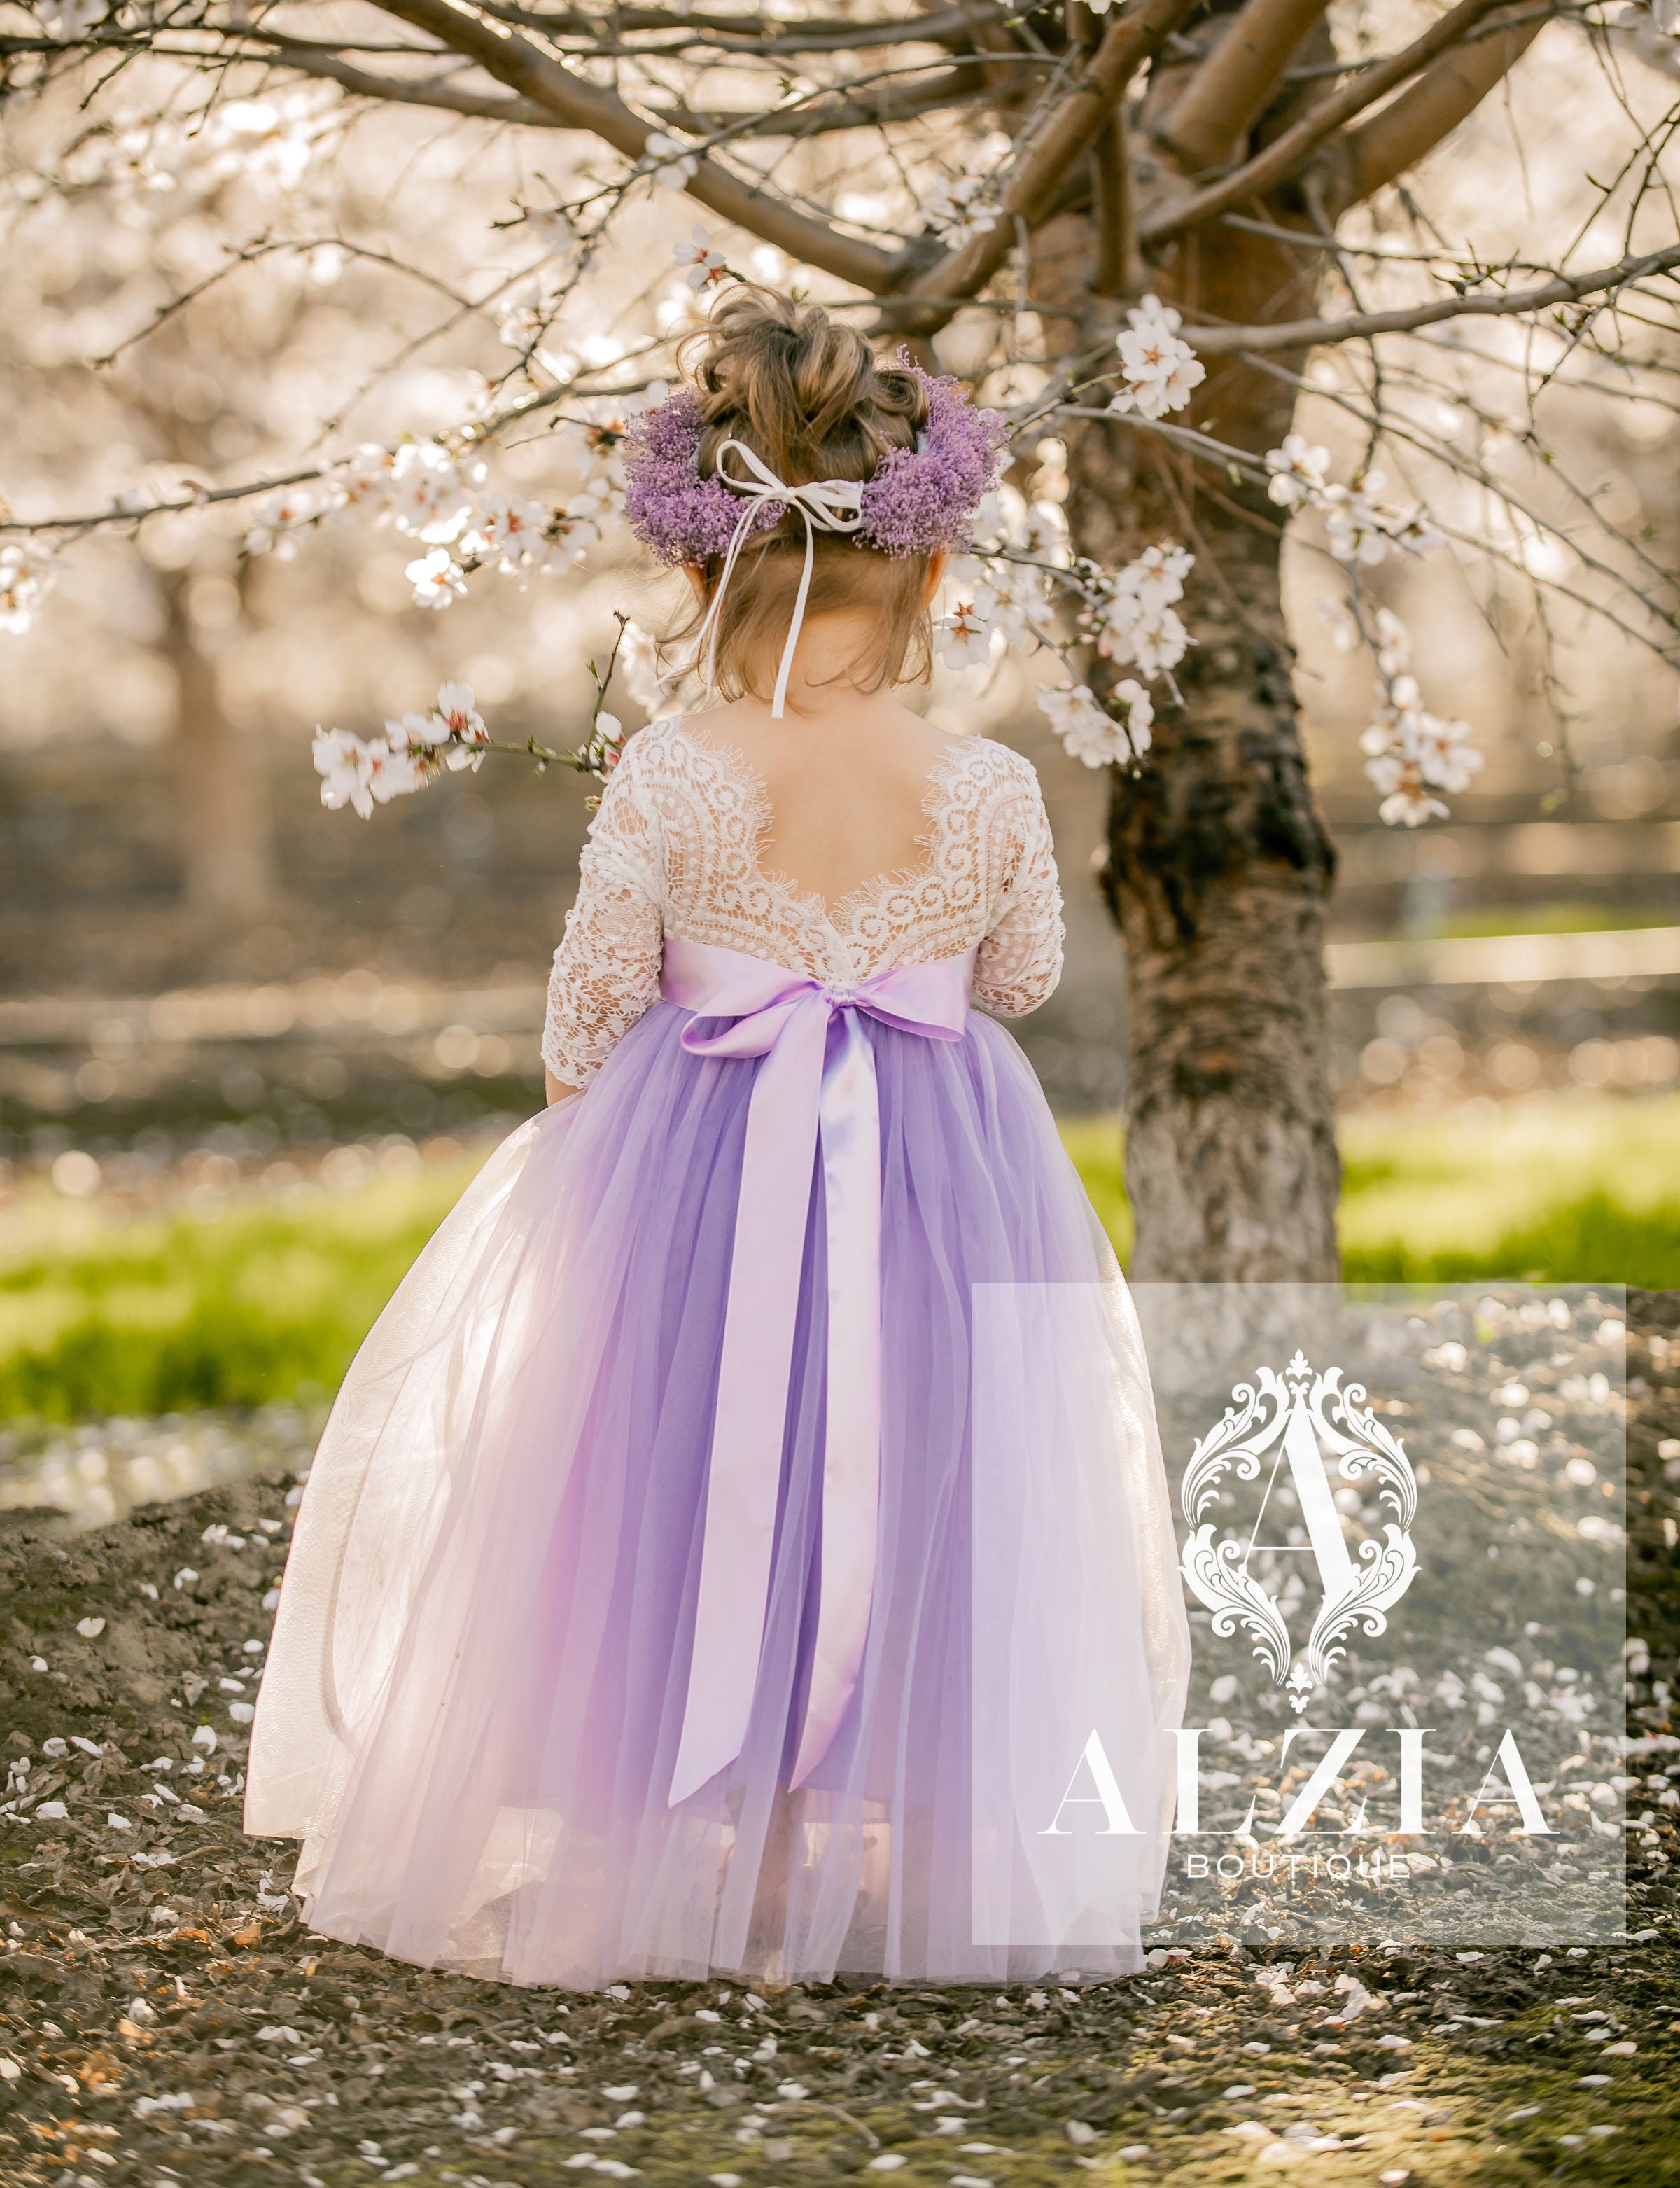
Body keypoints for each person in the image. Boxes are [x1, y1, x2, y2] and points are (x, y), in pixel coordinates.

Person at [246, 288, 1188, 1987]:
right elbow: (1024, 980)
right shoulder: (982, 787)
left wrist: (608, 1128)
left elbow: (585, 1011)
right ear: (932, 583)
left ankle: (705, 1832)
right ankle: (903, 1822)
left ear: (697, 580)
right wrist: (889, 973)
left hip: (702, 1167)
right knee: (920, 1477)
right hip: (935, 1182)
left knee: (687, 1478)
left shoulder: (671, 771)